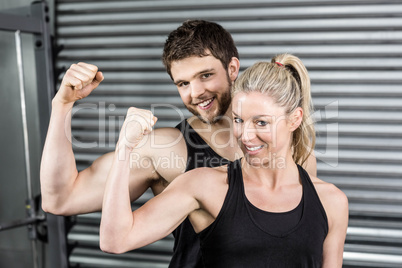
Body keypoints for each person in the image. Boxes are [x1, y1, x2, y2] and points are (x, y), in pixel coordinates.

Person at [40, 20, 317, 267]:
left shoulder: (294, 152)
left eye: (205, 75)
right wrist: (62, 105)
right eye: (183, 83)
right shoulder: (166, 149)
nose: (196, 93)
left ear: (232, 68)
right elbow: (60, 199)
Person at [99, 53, 349, 267]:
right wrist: (125, 148)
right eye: (239, 120)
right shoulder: (205, 185)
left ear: (294, 120)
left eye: (261, 122)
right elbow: (116, 240)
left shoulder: (331, 202)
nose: (246, 136)